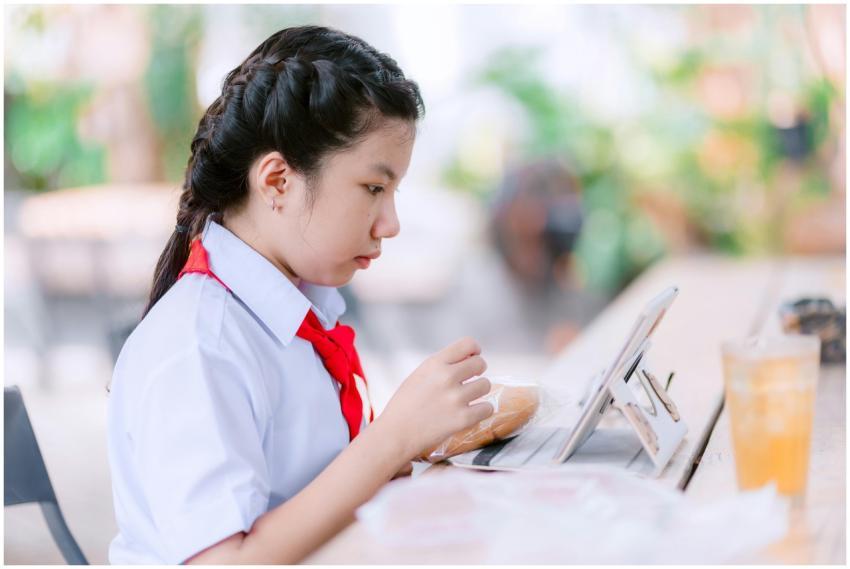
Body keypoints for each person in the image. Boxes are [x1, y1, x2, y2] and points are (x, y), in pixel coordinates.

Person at [106, 25, 493, 564]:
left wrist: (414, 443)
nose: (391, 223)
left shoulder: (298, 308)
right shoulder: (200, 346)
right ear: (277, 182)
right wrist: (391, 441)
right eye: (374, 189)